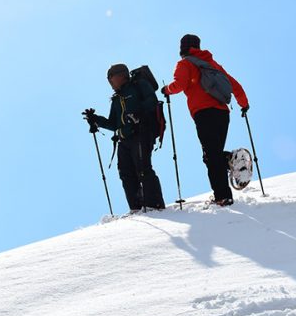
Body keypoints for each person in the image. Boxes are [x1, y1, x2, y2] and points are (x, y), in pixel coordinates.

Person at [162, 34, 249, 206]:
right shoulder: (212, 64)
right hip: (223, 114)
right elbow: (234, 85)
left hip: (203, 112)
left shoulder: (184, 63)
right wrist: (243, 104)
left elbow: (180, 84)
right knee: (213, 153)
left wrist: (166, 90)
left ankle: (223, 196)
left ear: (182, 48)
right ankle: (228, 168)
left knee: (211, 155)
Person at [84, 64, 166, 212]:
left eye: (111, 78)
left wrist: (137, 112)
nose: (110, 82)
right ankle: (136, 208)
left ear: (121, 75)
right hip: (124, 139)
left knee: (143, 169)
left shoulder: (138, 86)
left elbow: (152, 100)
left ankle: (154, 205)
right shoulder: (117, 99)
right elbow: (113, 123)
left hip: (141, 133)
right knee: (125, 173)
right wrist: (95, 119)